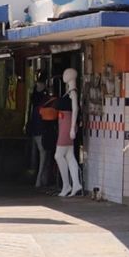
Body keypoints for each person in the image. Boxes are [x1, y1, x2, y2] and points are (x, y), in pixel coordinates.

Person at [54, 68, 82, 197]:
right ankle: (75, 183)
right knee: (70, 156)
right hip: (65, 123)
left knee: (58, 155)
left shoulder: (73, 92)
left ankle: (67, 185)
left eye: (67, 73)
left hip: (67, 124)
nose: (65, 75)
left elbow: (75, 109)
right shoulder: (70, 91)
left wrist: (71, 128)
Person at [25, 76, 51, 188]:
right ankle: (40, 179)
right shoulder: (44, 99)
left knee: (41, 153)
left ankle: (41, 178)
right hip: (41, 129)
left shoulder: (33, 97)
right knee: (44, 153)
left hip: (36, 129)